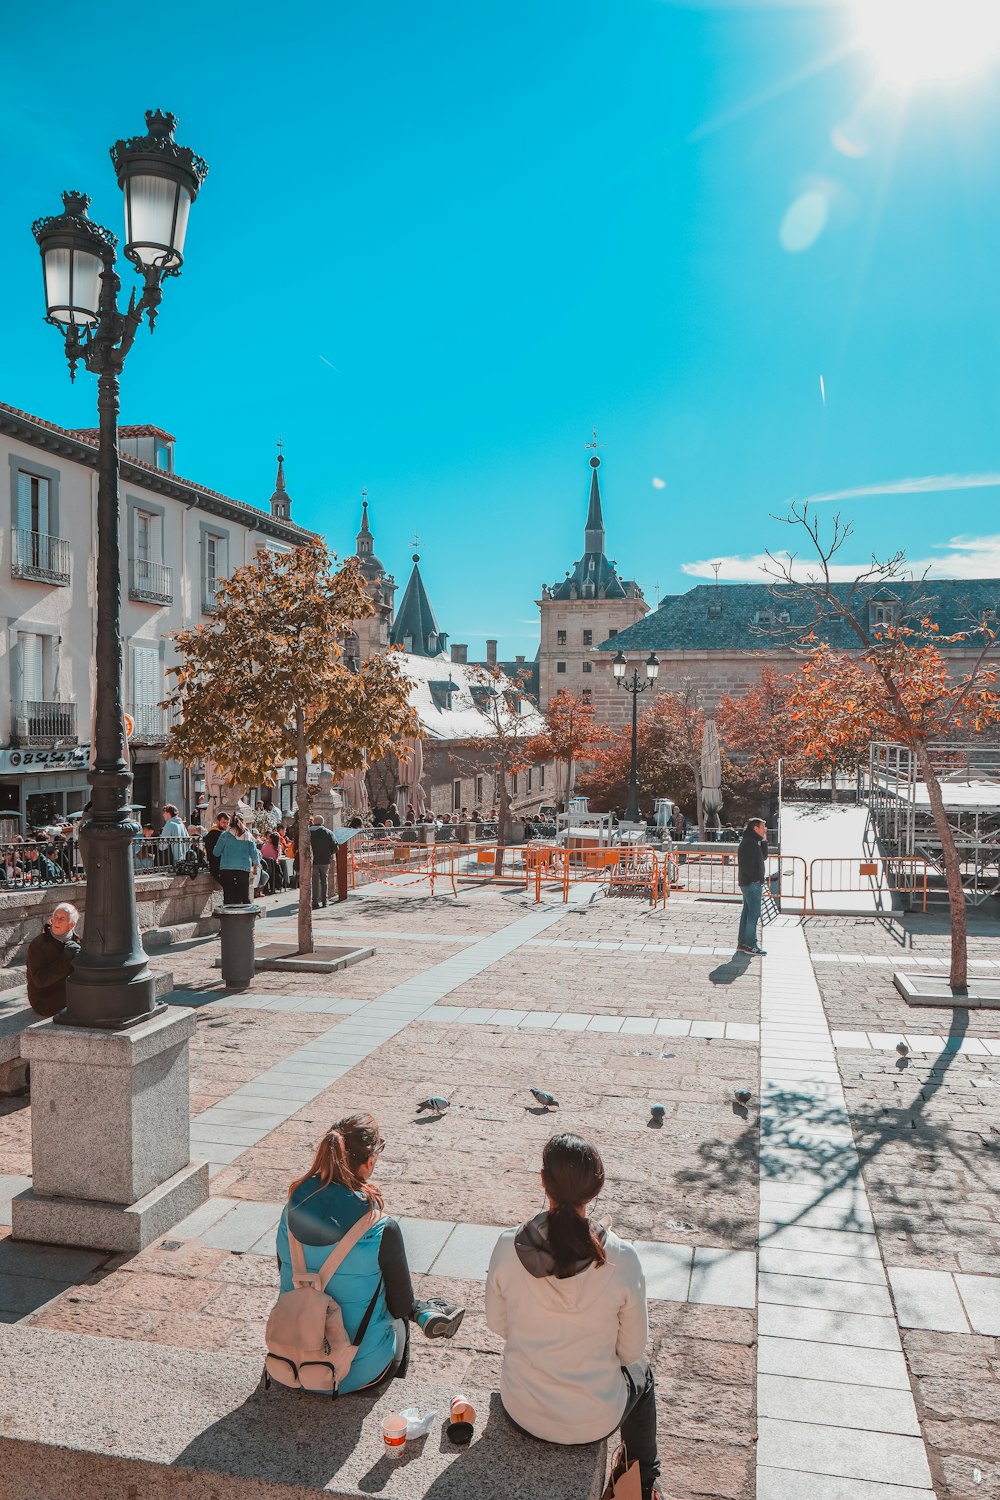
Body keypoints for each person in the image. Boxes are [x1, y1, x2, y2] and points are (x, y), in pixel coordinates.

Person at [486, 1135, 662, 1500]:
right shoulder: (622, 1258)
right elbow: (631, 1352)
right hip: (592, 1419)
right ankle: (643, 1485)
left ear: (542, 1181)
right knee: (643, 1375)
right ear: (595, 1188)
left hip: (521, 1408)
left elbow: (497, 1325)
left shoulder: (507, 1246)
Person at [276, 1113, 465, 1393]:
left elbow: (284, 1270)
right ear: (370, 1161)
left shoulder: (289, 1211)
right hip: (354, 1373)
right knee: (402, 1319)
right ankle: (391, 1394)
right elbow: (399, 1306)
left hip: (291, 1363)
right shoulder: (380, 1228)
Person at [26, 901, 81, 1018]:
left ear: (72, 925)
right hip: (44, 998)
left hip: (68, 991)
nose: (57, 921)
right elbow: (40, 980)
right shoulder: (39, 944)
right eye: (55, 917)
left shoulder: (77, 941)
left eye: (62, 918)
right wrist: (65, 958)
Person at [737, 816, 768, 956]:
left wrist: (764, 840)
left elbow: (764, 856)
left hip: (748, 883)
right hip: (751, 884)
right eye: (762, 827)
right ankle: (750, 944)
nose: (765, 829)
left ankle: (743, 943)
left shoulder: (752, 841)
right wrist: (756, 880)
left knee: (747, 913)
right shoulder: (750, 843)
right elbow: (748, 867)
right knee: (754, 914)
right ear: (755, 828)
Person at [214, 813, 262, 904]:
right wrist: (256, 865)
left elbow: (216, 853)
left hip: (226, 868)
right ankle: (246, 916)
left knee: (228, 896)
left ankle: (228, 917)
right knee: (244, 896)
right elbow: (254, 854)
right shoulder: (248, 836)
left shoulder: (225, 835)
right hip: (243, 869)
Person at [308, 814, 336, 909]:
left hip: (312, 860)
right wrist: (329, 854)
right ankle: (324, 901)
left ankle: (314, 901)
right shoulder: (328, 832)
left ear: (314, 822)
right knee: (324, 881)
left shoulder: (308, 832)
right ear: (323, 823)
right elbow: (335, 846)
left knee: (314, 881)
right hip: (324, 860)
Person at [203, 812, 230, 884]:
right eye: (223, 822)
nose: (226, 825)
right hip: (217, 866)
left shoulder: (222, 833)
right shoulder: (213, 833)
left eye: (227, 823)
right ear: (217, 822)